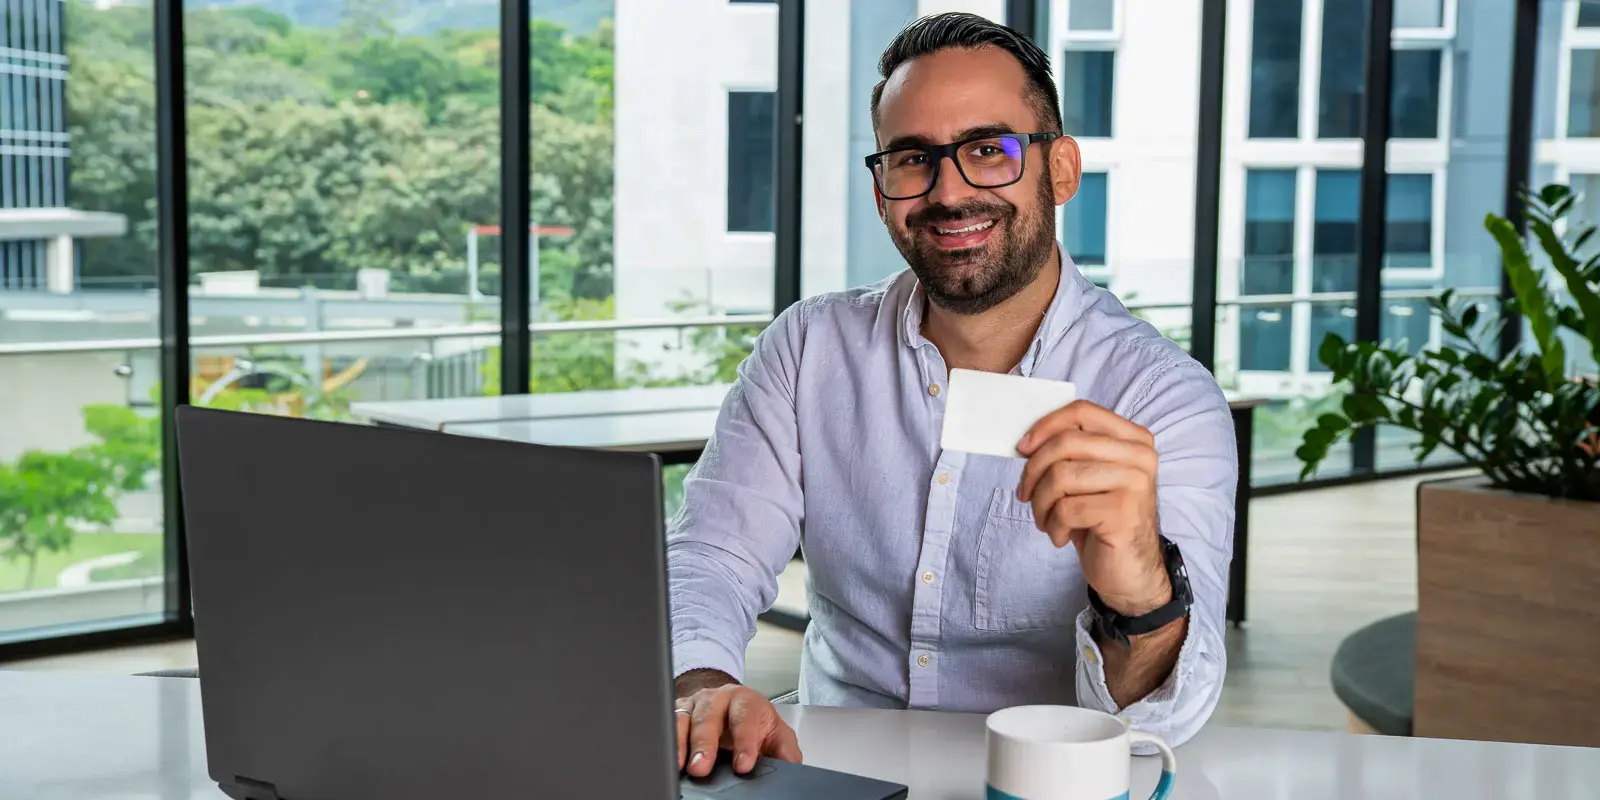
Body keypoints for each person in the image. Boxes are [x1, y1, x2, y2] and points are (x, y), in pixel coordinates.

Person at [669, 12, 1237, 778]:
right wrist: (704, 688)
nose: (948, 191)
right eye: (912, 158)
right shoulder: (808, 351)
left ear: (1060, 170)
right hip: (829, 768)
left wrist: (1142, 592)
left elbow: (1162, 721)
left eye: (988, 150)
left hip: (1038, 783)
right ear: (881, 190)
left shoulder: (1163, 398)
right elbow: (713, 554)